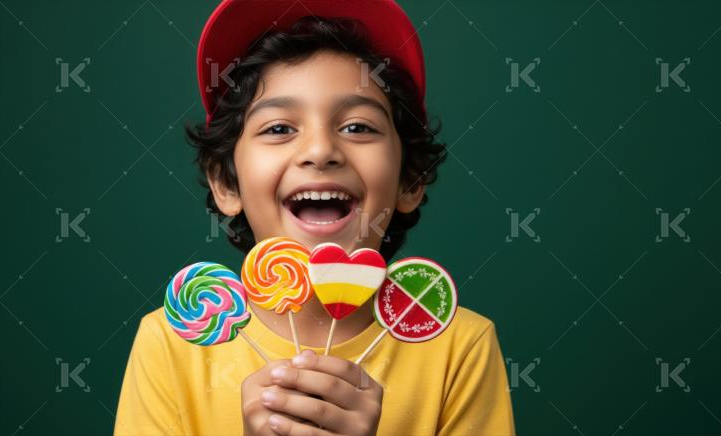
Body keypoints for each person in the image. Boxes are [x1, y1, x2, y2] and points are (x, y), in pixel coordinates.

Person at [115, 1, 515, 435]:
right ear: (226, 185)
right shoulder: (173, 342)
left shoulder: (457, 345)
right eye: (279, 129)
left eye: (358, 127)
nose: (321, 150)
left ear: (410, 181)